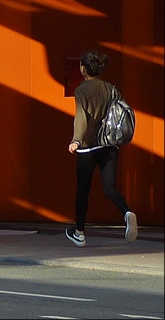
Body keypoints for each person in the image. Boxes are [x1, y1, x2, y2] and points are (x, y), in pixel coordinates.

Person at [66, 49, 137, 246]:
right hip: (109, 145)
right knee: (110, 188)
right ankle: (127, 213)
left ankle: (79, 233)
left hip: (88, 148)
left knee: (83, 190)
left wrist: (76, 140)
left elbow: (81, 117)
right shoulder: (111, 88)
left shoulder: (81, 90)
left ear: (83, 69)